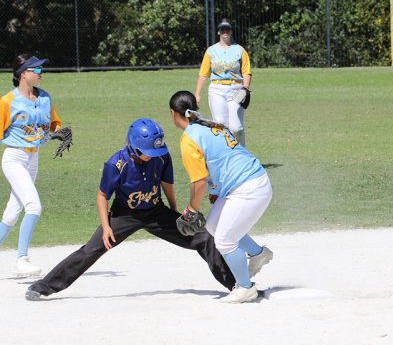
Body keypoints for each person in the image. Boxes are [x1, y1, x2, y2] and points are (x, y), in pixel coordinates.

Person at [25, 118, 235, 300]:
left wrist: (174, 211)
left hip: (156, 212)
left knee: (204, 238)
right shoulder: (116, 164)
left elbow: (166, 184)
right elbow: (102, 196)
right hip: (124, 215)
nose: (152, 155)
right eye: (147, 152)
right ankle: (43, 286)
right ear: (134, 147)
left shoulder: (161, 157)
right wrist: (106, 227)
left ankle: (235, 285)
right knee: (90, 250)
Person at [169, 90, 273, 303]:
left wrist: (191, 209)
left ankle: (246, 288)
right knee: (214, 227)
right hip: (247, 183)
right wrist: (216, 193)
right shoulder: (207, 123)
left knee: (225, 241)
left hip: (248, 187)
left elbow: (199, 181)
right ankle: (257, 254)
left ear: (172, 114)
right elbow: (219, 159)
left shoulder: (188, 139)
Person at [0, 54, 62, 277]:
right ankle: (22, 259)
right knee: (34, 206)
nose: (40, 72)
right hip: (14, 158)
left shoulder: (44, 98)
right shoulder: (7, 101)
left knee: (11, 215)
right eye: (36, 69)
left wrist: (61, 134)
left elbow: (54, 125)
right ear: (23, 73)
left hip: (33, 160)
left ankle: (20, 258)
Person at [194, 18, 252, 146]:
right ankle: (226, 155)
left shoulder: (240, 50)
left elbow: (246, 71)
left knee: (236, 128)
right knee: (220, 124)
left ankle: (242, 156)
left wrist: (246, 88)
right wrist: (197, 94)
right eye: (222, 29)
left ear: (231, 32)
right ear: (218, 32)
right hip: (216, 89)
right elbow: (203, 74)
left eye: (227, 29)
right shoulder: (211, 51)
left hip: (236, 89)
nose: (225, 31)